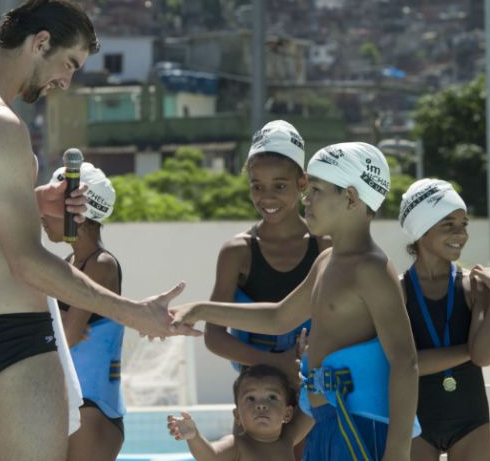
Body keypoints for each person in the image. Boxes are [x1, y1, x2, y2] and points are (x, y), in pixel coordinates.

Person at [0, 0, 199, 461]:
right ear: (39, 42)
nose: (66, 80)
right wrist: (131, 311)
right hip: (16, 344)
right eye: (69, 63)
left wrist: (30, 199)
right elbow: (27, 261)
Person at [172, 142, 420, 461]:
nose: (306, 198)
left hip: (357, 426)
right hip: (325, 421)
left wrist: (397, 453)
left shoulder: (371, 268)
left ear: (350, 197)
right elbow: (279, 317)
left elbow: (405, 361)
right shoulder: (327, 261)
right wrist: (200, 309)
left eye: (316, 189)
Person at [204, 119, 330, 384]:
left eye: (280, 186)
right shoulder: (237, 253)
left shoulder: (325, 247)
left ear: (302, 182)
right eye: (256, 186)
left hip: (316, 395)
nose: (267, 197)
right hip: (258, 400)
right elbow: (213, 335)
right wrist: (276, 362)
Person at [398, 179, 490, 460]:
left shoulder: (475, 285)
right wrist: (469, 349)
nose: (461, 233)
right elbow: (407, 364)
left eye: (464, 223)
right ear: (421, 230)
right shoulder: (398, 291)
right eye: (448, 224)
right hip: (416, 423)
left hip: (471, 423)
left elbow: (483, 357)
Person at [42, 163, 126, 461]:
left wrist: (59, 324)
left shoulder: (101, 264)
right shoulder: (71, 263)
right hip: (75, 402)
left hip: (94, 406)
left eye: (51, 206)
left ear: (75, 212)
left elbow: (67, 335)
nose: (42, 215)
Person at [167, 364, 314, 461]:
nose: (261, 405)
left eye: (272, 397)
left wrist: (308, 362)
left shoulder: (287, 438)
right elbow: (211, 456)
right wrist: (194, 436)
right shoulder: (237, 444)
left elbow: (313, 406)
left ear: (287, 413)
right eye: (251, 399)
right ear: (237, 416)